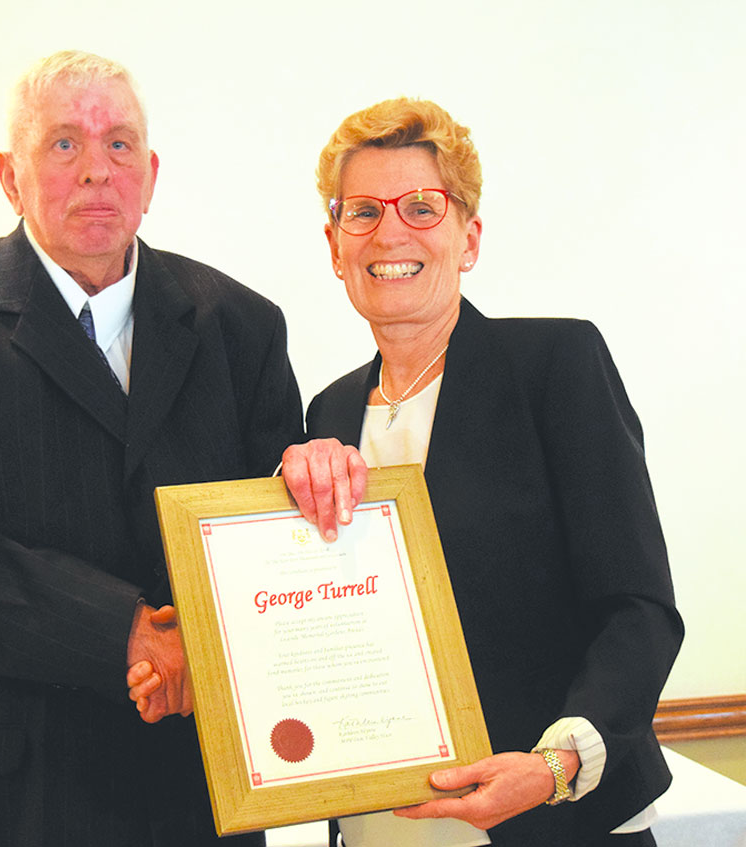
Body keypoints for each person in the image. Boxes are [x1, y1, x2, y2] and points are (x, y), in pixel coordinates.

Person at [0, 50, 305, 847]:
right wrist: (120, 628)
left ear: (151, 174)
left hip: (188, 794)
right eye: (63, 144)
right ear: (9, 175)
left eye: (119, 144)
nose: (97, 169)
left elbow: (273, 544)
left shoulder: (242, 325)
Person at [279, 98, 683, 846]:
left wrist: (554, 764)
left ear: (469, 238)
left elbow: (640, 610)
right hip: (379, 824)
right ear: (335, 246)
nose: (390, 231)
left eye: (422, 207)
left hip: (549, 815)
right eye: (362, 211)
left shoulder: (555, 367)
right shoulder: (327, 413)